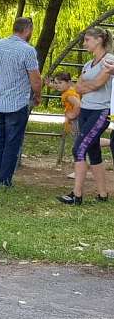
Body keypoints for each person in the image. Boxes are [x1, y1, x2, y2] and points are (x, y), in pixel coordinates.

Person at [0, 17, 42, 188]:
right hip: (18, 103)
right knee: (12, 143)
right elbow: (35, 79)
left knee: (0, 140)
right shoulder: (27, 51)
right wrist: (37, 95)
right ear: (27, 30)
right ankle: (5, 181)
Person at [57, 28, 114, 205]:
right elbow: (78, 87)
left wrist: (88, 85)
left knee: (78, 149)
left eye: (87, 40)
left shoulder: (109, 59)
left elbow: (97, 84)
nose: (84, 43)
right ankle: (103, 194)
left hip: (100, 111)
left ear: (98, 40)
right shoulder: (88, 65)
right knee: (93, 150)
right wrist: (88, 86)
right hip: (86, 110)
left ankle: (77, 195)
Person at [49, 73, 82, 179]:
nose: (57, 85)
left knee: (78, 147)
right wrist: (50, 84)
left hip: (75, 122)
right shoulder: (69, 89)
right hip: (75, 122)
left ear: (68, 82)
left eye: (60, 83)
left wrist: (72, 115)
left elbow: (78, 105)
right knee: (88, 141)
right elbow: (60, 86)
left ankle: (79, 171)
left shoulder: (69, 95)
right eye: (56, 83)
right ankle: (110, 142)